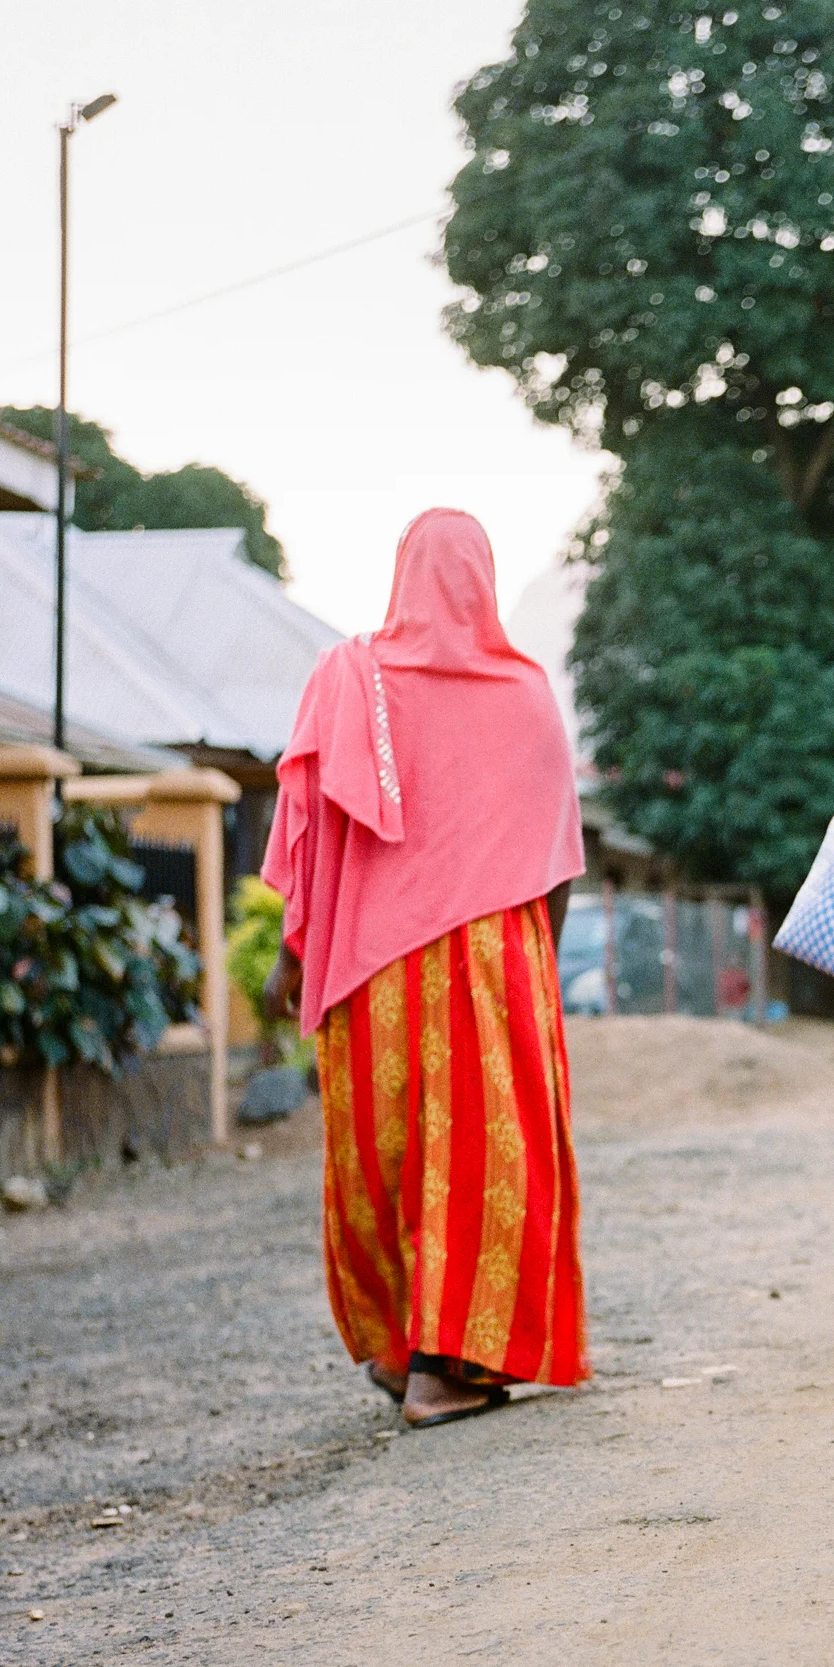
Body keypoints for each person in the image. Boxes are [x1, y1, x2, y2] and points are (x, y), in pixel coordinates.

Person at [261, 510, 588, 1425]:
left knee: (386, 1158)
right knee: (492, 1160)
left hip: (373, 972)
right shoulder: (523, 691)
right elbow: (558, 857)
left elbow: (307, 835)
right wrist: (537, 970)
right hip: (496, 964)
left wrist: (295, 958)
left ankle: (405, 1349)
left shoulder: (347, 676)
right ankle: (451, 1367)